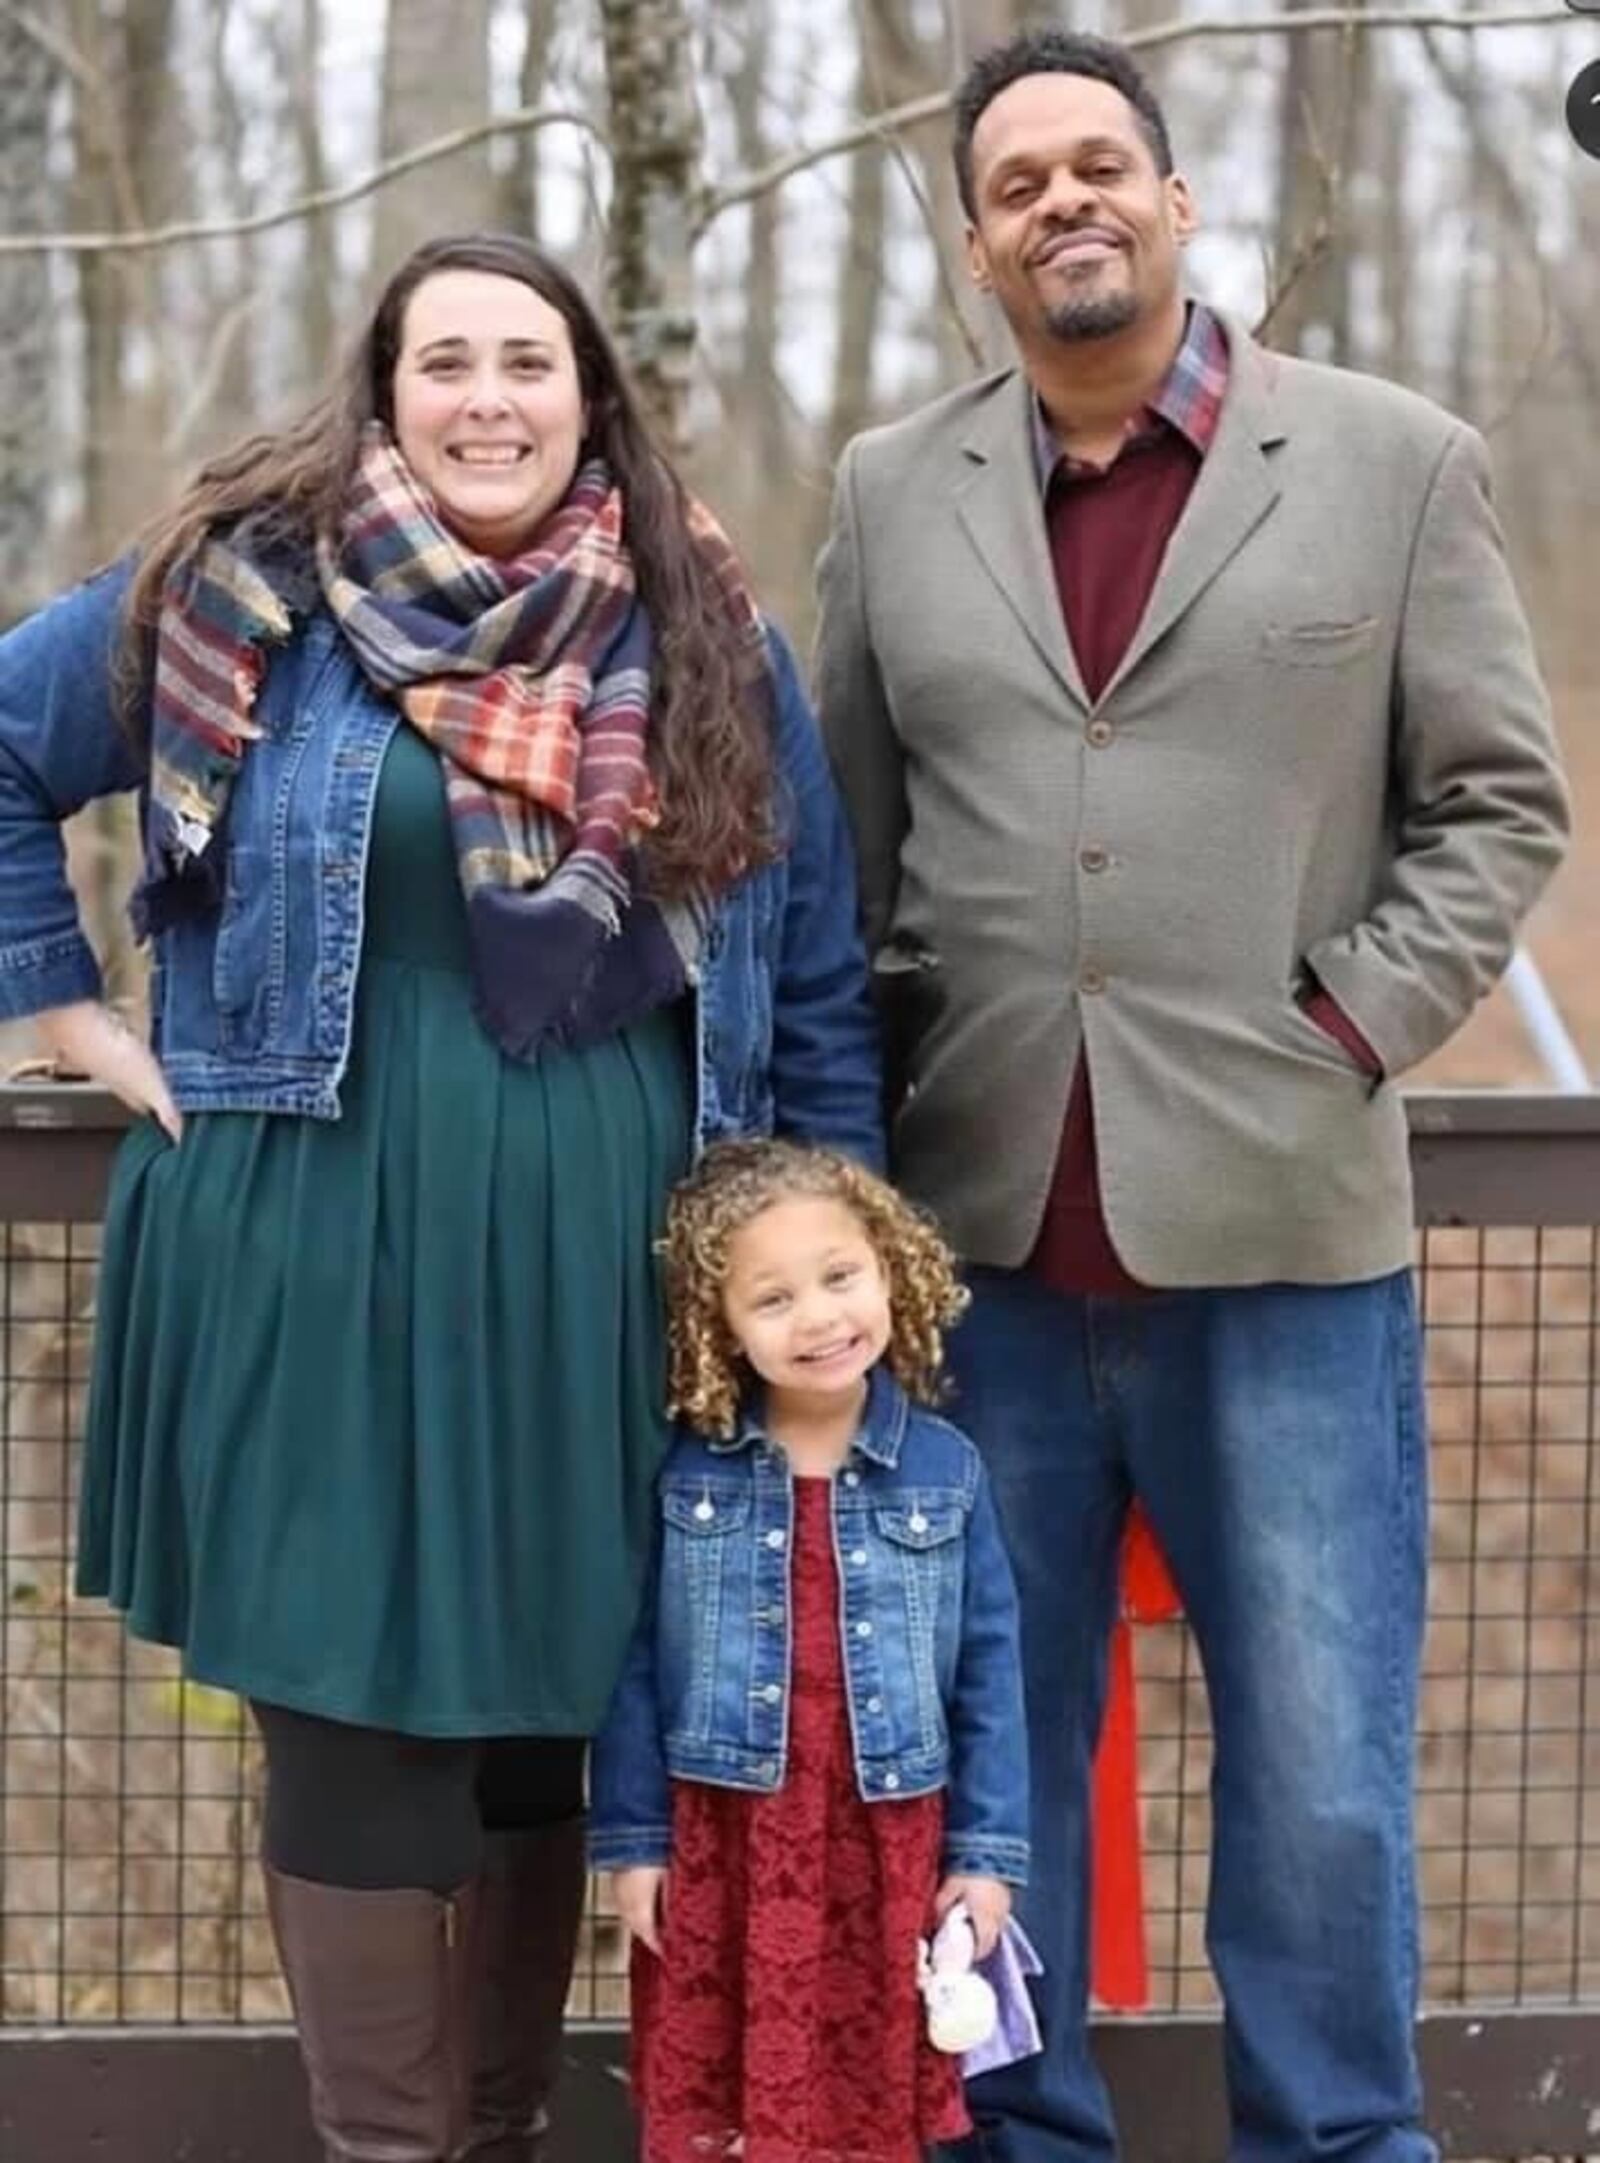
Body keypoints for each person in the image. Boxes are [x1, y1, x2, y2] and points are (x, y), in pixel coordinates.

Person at [0, 232, 882, 2163]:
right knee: (353, 1698)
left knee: (549, 1698)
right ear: (384, 388)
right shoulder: (240, 585)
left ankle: (490, 2133)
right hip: (311, 1228)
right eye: (448, 361)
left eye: (530, 363)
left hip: (615, 1252)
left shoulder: (707, 631)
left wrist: (838, 1276)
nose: (490, 397)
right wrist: (55, 1002)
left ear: (592, 400)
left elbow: (807, 968)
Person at [813, 28, 1570, 2163]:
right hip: (967, 1266)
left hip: (1286, 1247)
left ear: (1173, 199)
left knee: (1319, 1763)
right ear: (973, 241)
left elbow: (1496, 803)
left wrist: (1340, 1026)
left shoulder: (1385, 457)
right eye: (1019, 179)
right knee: (995, 1754)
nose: (1065, 200)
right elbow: (843, 857)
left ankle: (1335, 2135)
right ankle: (1017, 2127)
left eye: (1100, 165)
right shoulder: (889, 491)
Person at [590, 1137, 1030, 2163]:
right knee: (725, 2099)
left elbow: (991, 1674)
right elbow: (637, 1664)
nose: (821, 1319)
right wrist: (634, 1840)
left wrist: (985, 1857)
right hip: (724, 1829)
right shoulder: (687, 1469)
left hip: (884, 1830)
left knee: (867, 2093)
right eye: (773, 1299)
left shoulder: (945, 1471)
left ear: (891, 1269)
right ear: (722, 1327)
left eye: (840, 1278)